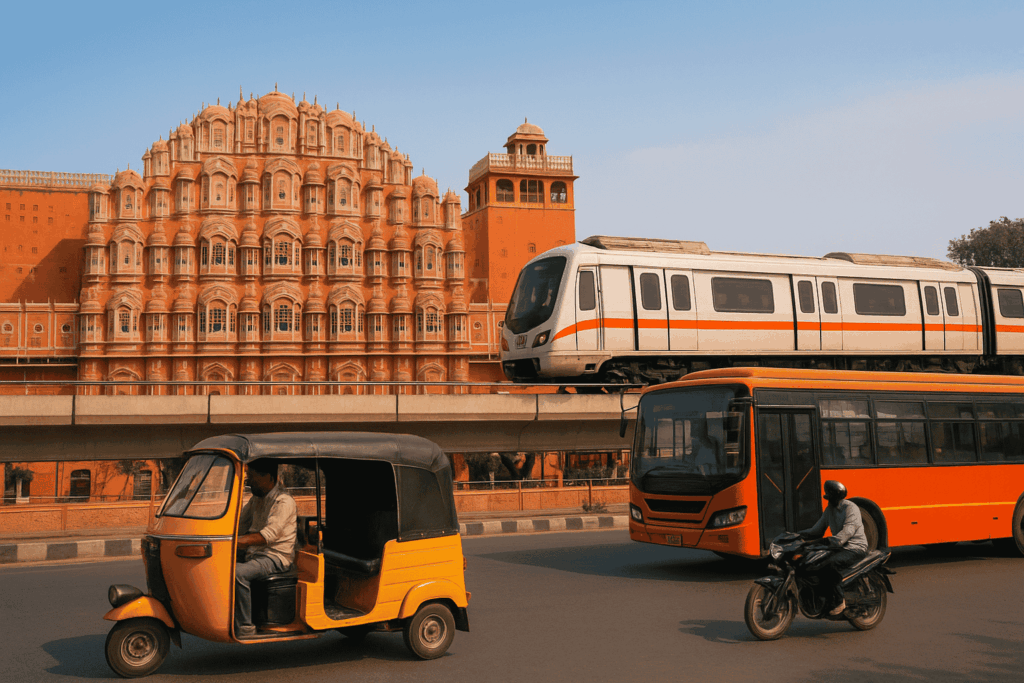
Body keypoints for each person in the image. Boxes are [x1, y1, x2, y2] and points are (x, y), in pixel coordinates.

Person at [234, 459, 297, 637]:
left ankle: (246, 626)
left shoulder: (283, 502)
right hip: (255, 553)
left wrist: (237, 542)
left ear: (268, 477)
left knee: (237, 573)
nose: (248, 481)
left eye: (252, 477)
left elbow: (268, 536)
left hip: (275, 557)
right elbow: (240, 524)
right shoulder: (256, 499)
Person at [798, 480, 868, 615]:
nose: (829, 500)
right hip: (839, 547)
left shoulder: (851, 508)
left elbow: (848, 531)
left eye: (830, 497)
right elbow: (816, 530)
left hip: (855, 548)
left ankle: (838, 601)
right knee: (814, 562)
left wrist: (831, 541)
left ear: (837, 497)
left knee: (830, 564)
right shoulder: (829, 510)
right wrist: (797, 535)